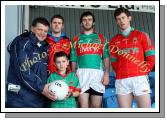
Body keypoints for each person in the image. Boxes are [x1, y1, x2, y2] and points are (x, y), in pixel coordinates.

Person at [109, 7, 155, 108]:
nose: (121, 21)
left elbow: (151, 57)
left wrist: (143, 72)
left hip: (140, 78)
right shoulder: (113, 41)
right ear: (116, 22)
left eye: (123, 18)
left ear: (129, 18)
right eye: (118, 19)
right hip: (122, 80)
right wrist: (121, 72)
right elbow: (114, 62)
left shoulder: (142, 35)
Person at [6, 17, 56, 108]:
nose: (42, 33)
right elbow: (23, 70)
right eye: (39, 29)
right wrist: (42, 88)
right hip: (20, 101)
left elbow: (47, 72)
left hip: (38, 100)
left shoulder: (44, 48)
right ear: (32, 28)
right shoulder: (22, 43)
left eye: (45, 31)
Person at [71, 11, 110, 108]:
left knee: (96, 107)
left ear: (93, 22)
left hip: (97, 74)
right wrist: (72, 75)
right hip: (81, 74)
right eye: (84, 20)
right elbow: (73, 58)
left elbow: (106, 57)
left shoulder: (101, 38)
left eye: (89, 20)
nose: (87, 22)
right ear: (81, 23)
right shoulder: (76, 39)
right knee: (83, 107)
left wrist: (107, 74)